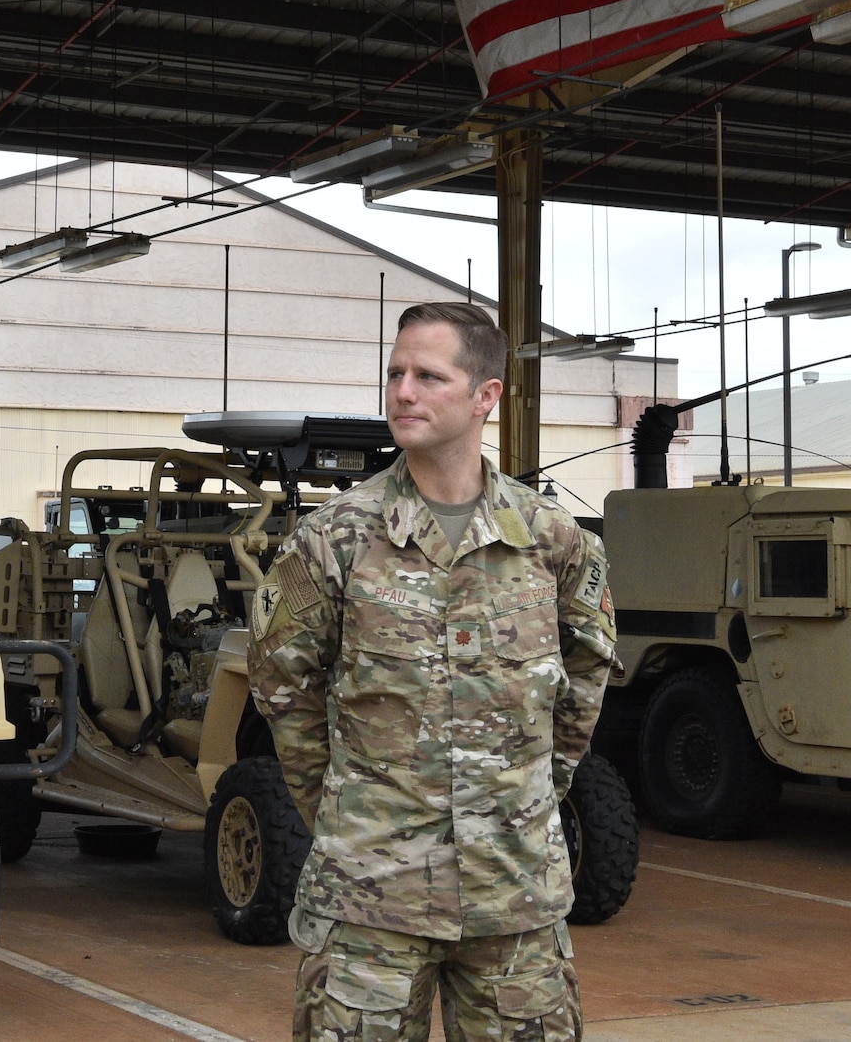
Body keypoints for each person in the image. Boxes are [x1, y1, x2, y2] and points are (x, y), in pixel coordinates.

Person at [249, 300, 618, 1042]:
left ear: (486, 396)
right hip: (370, 902)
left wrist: (529, 799)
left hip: (514, 899)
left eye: (428, 375)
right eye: (394, 374)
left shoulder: (551, 540)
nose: (403, 392)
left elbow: (586, 673)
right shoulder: (334, 541)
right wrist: (354, 818)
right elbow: (284, 690)